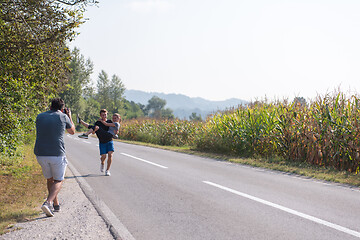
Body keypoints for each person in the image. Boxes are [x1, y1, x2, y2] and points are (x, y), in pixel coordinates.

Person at [34, 98, 75, 217]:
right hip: (57, 153)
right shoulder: (63, 116)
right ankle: (48, 202)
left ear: (50, 106)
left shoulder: (40, 116)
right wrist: (69, 116)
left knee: (50, 179)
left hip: (40, 153)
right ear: (62, 109)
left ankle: (55, 205)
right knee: (58, 180)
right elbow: (72, 131)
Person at [77, 109, 118, 176]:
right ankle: (102, 163)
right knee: (103, 156)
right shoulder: (98, 123)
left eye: (105, 114)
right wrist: (94, 130)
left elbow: (115, 127)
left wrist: (116, 133)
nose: (104, 116)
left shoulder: (109, 121)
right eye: (102, 115)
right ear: (100, 115)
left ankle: (107, 170)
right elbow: (93, 132)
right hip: (102, 142)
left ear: (107, 114)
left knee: (110, 155)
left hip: (109, 140)